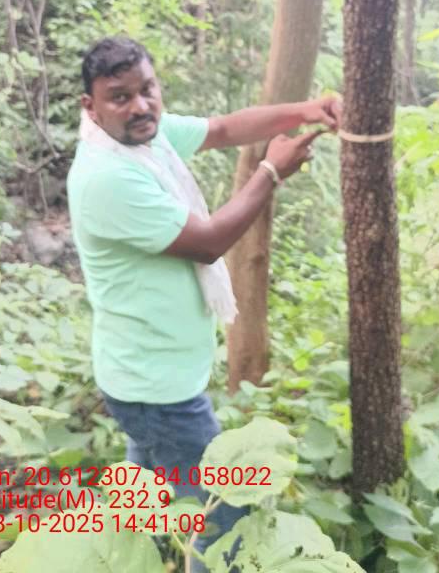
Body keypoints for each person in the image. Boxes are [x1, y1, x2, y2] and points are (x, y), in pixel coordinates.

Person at [66, 36, 341, 569]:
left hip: (147, 375)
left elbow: (223, 129)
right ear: (91, 107)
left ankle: (119, 560)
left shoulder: (144, 138)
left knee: (144, 499)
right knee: (221, 517)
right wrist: (270, 173)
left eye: (147, 89)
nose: (140, 105)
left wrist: (308, 109)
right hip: (156, 390)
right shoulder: (107, 176)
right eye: (119, 96)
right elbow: (210, 241)